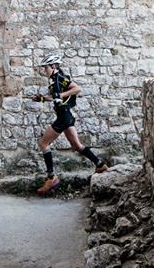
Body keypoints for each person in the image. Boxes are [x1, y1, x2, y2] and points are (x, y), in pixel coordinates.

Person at [32, 52, 108, 195]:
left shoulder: (60, 78)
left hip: (63, 117)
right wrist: (41, 99)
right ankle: (100, 165)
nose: (44, 70)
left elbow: (77, 89)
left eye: (46, 67)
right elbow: (55, 97)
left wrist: (60, 95)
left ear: (54, 66)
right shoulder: (54, 81)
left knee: (43, 144)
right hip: (66, 116)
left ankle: (51, 178)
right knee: (76, 146)